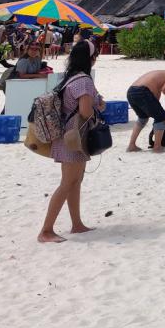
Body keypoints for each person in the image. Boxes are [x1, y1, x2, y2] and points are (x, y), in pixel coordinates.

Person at [38, 40, 103, 243]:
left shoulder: (70, 78)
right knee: (68, 183)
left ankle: (77, 224)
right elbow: (85, 110)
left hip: (68, 136)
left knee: (75, 182)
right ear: (90, 58)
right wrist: (99, 106)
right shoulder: (84, 81)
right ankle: (46, 230)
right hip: (74, 137)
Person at [125, 66, 165, 153]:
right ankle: (157, 147)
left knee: (143, 118)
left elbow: (156, 97)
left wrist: (160, 109)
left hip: (131, 92)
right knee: (161, 118)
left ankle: (131, 145)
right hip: (142, 92)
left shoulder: (163, 75)